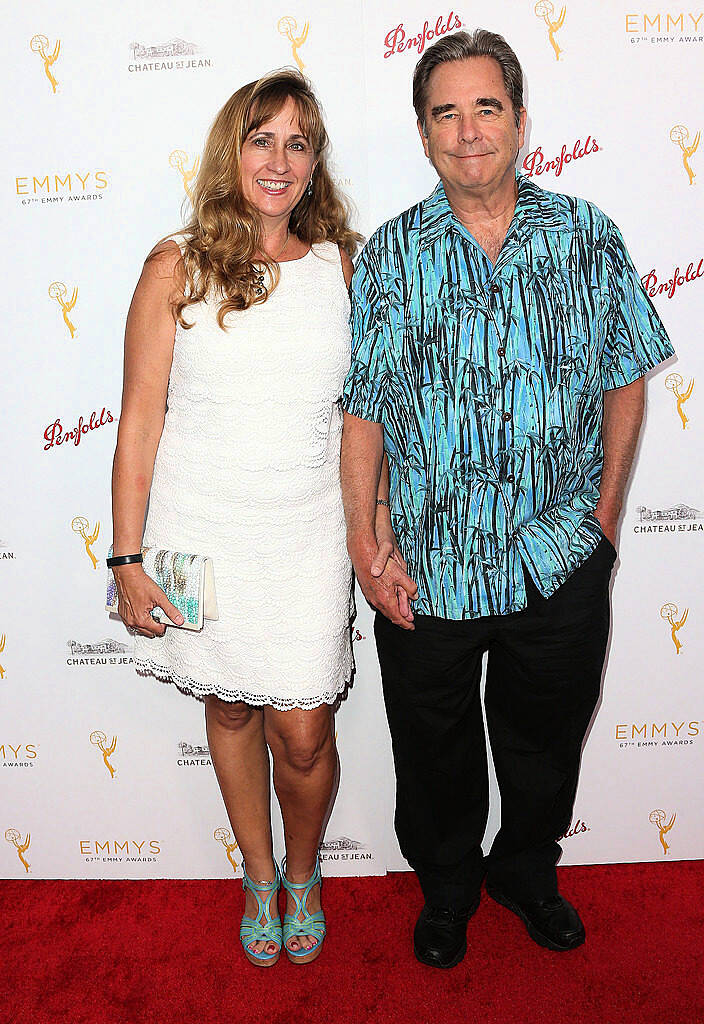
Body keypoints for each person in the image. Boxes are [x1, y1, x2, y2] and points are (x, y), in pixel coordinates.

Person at [341, 29, 674, 968]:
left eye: (487, 107)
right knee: (433, 745)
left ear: (521, 121)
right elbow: (364, 413)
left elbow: (627, 375)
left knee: (543, 739)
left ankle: (528, 869)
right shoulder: (391, 257)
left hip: (557, 553)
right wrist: (368, 545)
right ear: (422, 133)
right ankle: (446, 886)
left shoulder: (586, 235)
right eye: (446, 112)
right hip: (428, 564)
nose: (469, 129)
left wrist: (604, 522)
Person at [110, 69, 382, 968]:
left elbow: (368, 417)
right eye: (261, 137)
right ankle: (259, 875)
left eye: (297, 142)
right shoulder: (175, 264)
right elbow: (141, 417)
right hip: (204, 530)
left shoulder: (347, 267)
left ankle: (305, 871)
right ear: (233, 150)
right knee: (229, 708)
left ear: (315, 164)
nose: (279, 158)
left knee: (303, 733)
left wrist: (373, 524)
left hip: (305, 532)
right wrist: (126, 556)